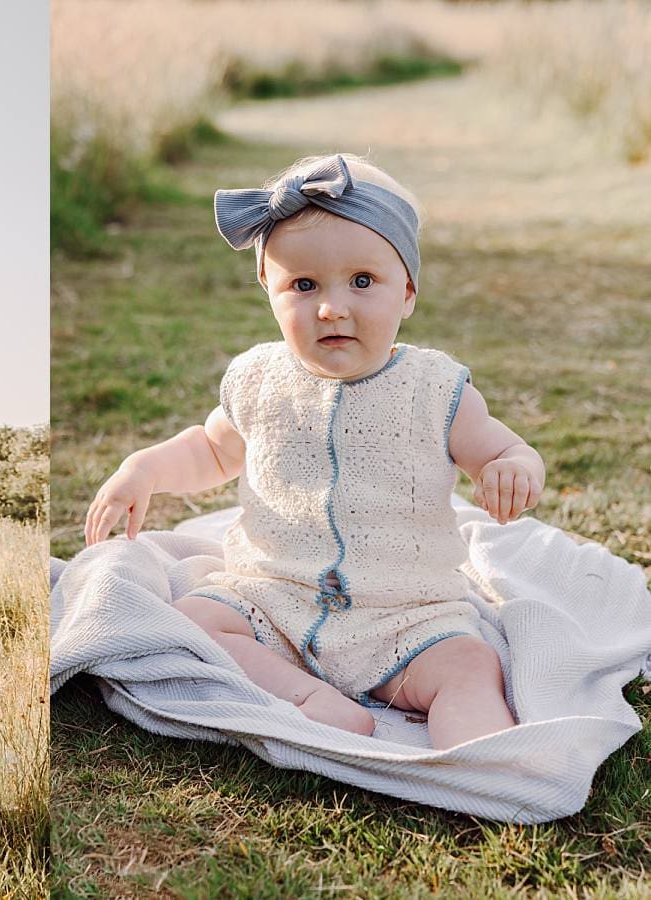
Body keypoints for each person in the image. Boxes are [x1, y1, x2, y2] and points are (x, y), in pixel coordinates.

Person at [85, 154, 542, 750]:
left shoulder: (435, 390)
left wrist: (513, 468)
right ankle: (305, 696)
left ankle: (488, 764)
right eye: (303, 286)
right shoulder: (258, 380)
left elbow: (503, 448)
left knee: (470, 665)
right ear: (269, 293)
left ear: (406, 292)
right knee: (194, 623)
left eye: (362, 281)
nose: (332, 307)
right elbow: (210, 450)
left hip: (406, 611)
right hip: (274, 597)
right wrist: (142, 469)